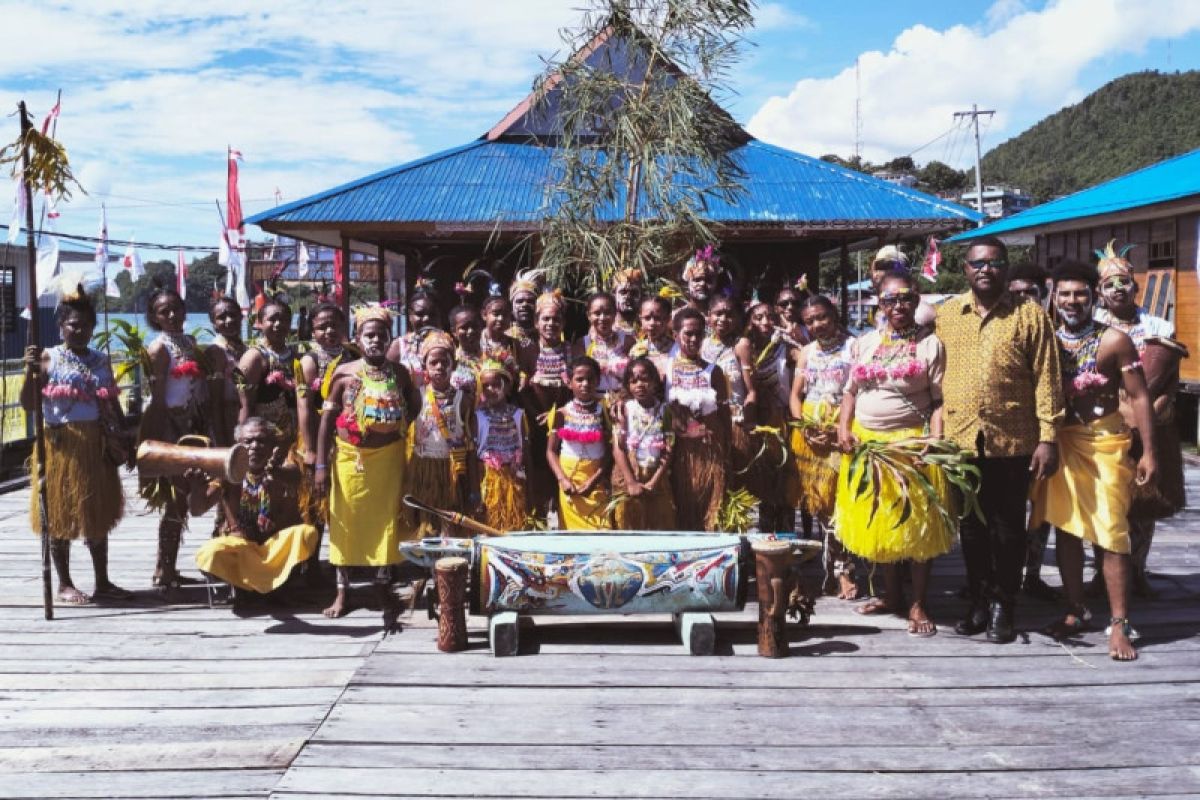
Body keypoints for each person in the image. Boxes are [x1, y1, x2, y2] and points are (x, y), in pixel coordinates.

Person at [936, 236, 1063, 644]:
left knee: (1008, 528)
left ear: (1007, 268)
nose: (985, 270)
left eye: (994, 263)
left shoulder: (1030, 316)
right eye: (977, 264)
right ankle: (977, 599)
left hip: (1013, 439)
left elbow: (1048, 378)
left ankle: (1002, 605)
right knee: (971, 528)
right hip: (961, 440)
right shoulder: (948, 315)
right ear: (965, 269)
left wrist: (1048, 437)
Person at [1030, 260, 1156, 662]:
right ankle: (1075, 608)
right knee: (1067, 529)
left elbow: (1139, 397)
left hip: (1105, 444)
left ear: (1094, 296)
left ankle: (1120, 623)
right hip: (1061, 444)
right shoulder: (1045, 338)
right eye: (1064, 293)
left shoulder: (1115, 341)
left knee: (1110, 531)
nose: (1072, 300)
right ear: (1054, 296)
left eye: (1080, 293)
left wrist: (1150, 452)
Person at [835, 272, 952, 637]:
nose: (897, 306)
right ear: (879, 304)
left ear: (916, 301)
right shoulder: (865, 343)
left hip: (910, 447)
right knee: (881, 521)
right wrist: (843, 429)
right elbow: (850, 392)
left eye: (905, 298)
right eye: (889, 300)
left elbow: (938, 402)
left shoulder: (931, 346)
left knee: (917, 527)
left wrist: (933, 443)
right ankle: (892, 595)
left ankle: (918, 601)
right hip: (868, 445)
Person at [21, 283, 131, 604]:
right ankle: (65, 583)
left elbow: (112, 403)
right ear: (61, 327)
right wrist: (30, 374)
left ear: (93, 327)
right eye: (73, 325)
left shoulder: (100, 360)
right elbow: (29, 404)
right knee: (60, 514)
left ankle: (103, 581)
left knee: (97, 513)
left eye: (85, 325)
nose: (80, 330)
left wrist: (124, 438)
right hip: (61, 447)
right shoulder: (47, 357)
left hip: (96, 446)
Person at [1093, 241, 1186, 598]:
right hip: (1105, 425)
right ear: (1100, 292)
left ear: (1137, 287)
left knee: (1145, 503)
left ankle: (1138, 572)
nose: (1118, 290)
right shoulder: (1094, 325)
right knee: (1106, 502)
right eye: (1109, 285)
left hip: (1148, 426)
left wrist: (1158, 404)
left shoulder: (1158, 325)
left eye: (1124, 283)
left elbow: (1167, 374)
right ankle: (1102, 576)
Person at [315, 306, 418, 619]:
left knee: (386, 524)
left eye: (381, 335)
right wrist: (320, 466)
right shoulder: (344, 374)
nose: (375, 340)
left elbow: (414, 407)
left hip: (389, 461)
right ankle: (342, 592)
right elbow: (326, 422)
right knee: (346, 523)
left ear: (389, 338)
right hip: (352, 461)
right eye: (368, 335)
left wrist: (396, 432)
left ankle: (382, 588)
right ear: (357, 339)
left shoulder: (399, 374)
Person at [190, 418, 318, 603]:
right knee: (210, 552)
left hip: (274, 552)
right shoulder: (227, 472)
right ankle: (246, 587)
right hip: (243, 551)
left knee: (306, 534)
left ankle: (272, 588)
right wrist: (196, 488)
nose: (255, 446)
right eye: (248, 442)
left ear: (273, 445)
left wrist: (276, 473)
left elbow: (295, 477)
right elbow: (197, 509)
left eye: (261, 441)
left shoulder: (285, 467)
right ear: (238, 446)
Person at [789, 295, 859, 599]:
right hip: (811, 434)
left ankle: (845, 569)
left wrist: (839, 429)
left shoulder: (854, 348)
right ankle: (831, 569)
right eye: (810, 321)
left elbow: (857, 393)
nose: (817, 325)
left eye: (822, 317)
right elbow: (795, 396)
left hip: (842, 430)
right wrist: (805, 428)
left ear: (834, 313)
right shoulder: (806, 353)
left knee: (843, 503)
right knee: (822, 507)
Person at [140, 287, 207, 590]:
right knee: (172, 499)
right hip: (169, 427)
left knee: (181, 500)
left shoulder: (190, 342)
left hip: (191, 425)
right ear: (154, 318)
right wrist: (157, 437)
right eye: (163, 311)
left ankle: (166, 567)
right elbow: (155, 398)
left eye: (175, 308)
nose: (171, 315)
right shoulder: (158, 349)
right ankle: (162, 570)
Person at [407, 330, 479, 535]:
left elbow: (470, 444)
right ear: (425, 366)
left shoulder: (463, 400)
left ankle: (448, 563)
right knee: (426, 523)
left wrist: (473, 487)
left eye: (445, 362)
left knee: (450, 522)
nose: (439, 367)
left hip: (452, 471)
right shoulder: (417, 397)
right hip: (424, 467)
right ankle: (427, 566)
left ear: (453, 365)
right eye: (434, 362)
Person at [666, 308, 731, 531]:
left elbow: (724, 416)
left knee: (709, 506)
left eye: (699, 334)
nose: (694, 339)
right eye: (688, 334)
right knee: (681, 507)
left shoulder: (714, 372)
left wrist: (726, 453)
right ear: (675, 334)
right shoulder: (665, 369)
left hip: (709, 450)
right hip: (678, 453)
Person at [736, 301, 795, 533]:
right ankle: (759, 542)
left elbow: (809, 356)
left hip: (779, 421)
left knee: (781, 480)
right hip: (750, 420)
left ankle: (785, 540)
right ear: (750, 320)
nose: (765, 322)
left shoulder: (785, 346)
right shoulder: (742, 346)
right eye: (758, 317)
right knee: (757, 482)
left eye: (770, 316)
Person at [517, 290, 572, 522]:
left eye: (556, 319)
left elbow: (579, 387)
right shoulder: (524, 350)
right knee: (536, 477)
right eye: (545, 319)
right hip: (534, 425)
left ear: (563, 323)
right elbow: (519, 390)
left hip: (565, 424)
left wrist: (560, 414)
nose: (551, 323)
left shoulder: (572, 350)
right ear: (537, 322)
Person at [548, 356, 612, 530]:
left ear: (598, 381)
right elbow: (551, 451)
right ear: (569, 383)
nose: (585, 384)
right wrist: (562, 479)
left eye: (590, 379)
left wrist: (594, 480)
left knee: (601, 530)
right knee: (572, 536)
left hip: (596, 479)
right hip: (569, 480)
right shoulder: (561, 413)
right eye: (579, 379)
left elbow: (610, 451)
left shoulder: (604, 411)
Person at [612, 357, 675, 530]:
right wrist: (631, 482)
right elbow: (618, 448)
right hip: (629, 474)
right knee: (629, 524)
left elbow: (669, 448)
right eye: (633, 381)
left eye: (645, 379)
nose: (639, 385)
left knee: (658, 523)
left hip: (657, 476)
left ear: (655, 381)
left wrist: (655, 481)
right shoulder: (624, 409)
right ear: (628, 386)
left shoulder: (665, 411)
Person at [701, 296, 752, 483]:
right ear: (708, 316)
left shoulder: (741, 345)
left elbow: (751, 390)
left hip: (735, 421)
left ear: (738, 318)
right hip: (708, 421)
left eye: (729, 314)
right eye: (718, 314)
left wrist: (748, 419)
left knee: (735, 480)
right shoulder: (700, 345)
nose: (723, 319)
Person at [474, 360, 529, 532]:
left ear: (507, 386)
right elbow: (474, 453)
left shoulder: (519, 415)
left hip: (513, 479)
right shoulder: (478, 415)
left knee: (514, 524)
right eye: (486, 386)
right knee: (489, 524)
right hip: (488, 480)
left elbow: (526, 450)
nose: (491, 389)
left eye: (496, 384)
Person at [238, 298, 299, 447]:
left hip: (292, 432)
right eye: (272, 319)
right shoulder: (252, 356)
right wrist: (245, 439)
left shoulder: (295, 355)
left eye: (284, 320)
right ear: (259, 323)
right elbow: (242, 400)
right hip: (264, 435)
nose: (278, 324)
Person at [204, 296, 247, 447]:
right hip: (226, 419)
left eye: (233, 315)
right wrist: (222, 443)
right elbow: (215, 403)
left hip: (247, 417)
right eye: (222, 318)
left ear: (241, 317)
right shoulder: (216, 351)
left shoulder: (245, 349)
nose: (229, 320)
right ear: (214, 325)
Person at [572, 292, 630, 397]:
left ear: (615, 314)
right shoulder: (582, 344)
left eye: (607, 313)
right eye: (597, 313)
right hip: (592, 402)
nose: (602, 318)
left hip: (622, 401)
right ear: (589, 316)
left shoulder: (627, 340)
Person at [869, 246, 936, 329]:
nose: (877, 274)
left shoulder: (920, 311)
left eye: (885, 266)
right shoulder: (877, 310)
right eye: (877, 267)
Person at [394, 285, 443, 379]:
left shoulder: (449, 344)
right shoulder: (399, 347)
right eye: (420, 314)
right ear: (410, 315)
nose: (426, 319)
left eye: (432, 314)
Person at [628, 296, 675, 378]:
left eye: (657, 318)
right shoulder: (636, 350)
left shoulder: (677, 350)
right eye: (647, 318)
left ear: (668, 319)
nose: (652, 323)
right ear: (640, 319)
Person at [479, 295, 519, 385]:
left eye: (505, 315)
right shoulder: (476, 343)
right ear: (484, 315)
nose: (501, 319)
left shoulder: (514, 344)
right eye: (496, 314)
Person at [449, 305, 485, 392]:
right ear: (454, 332)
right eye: (464, 327)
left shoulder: (493, 357)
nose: (470, 331)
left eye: (475, 326)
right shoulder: (452, 361)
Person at [508, 268, 544, 348]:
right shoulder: (504, 338)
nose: (524, 305)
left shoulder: (548, 335)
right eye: (519, 301)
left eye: (530, 301)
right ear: (512, 306)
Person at [681, 245, 722, 315]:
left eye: (709, 280)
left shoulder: (720, 318)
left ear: (716, 283)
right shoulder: (676, 317)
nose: (702, 284)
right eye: (697, 280)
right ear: (687, 282)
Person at [612, 268, 645, 336]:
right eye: (623, 292)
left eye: (634, 293)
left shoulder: (649, 329)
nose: (628, 297)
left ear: (642, 296)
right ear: (614, 296)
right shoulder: (606, 329)